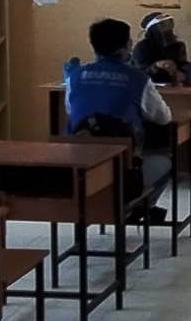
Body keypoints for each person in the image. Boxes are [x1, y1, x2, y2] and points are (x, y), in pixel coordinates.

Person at [66, 18, 174, 216]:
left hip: (77, 173)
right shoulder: (138, 79)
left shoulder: (74, 78)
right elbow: (164, 117)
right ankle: (135, 209)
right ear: (127, 46)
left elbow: (72, 113)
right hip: (123, 176)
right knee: (166, 161)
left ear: (93, 45)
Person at [132, 12, 191, 85]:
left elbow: (185, 66)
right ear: (153, 29)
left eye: (169, 25)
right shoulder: (142, 47)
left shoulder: (177, 46)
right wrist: (156, 66)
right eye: (163, 26)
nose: (167, 29)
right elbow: (137, 74)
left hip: (173, 89)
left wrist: (182, 74)